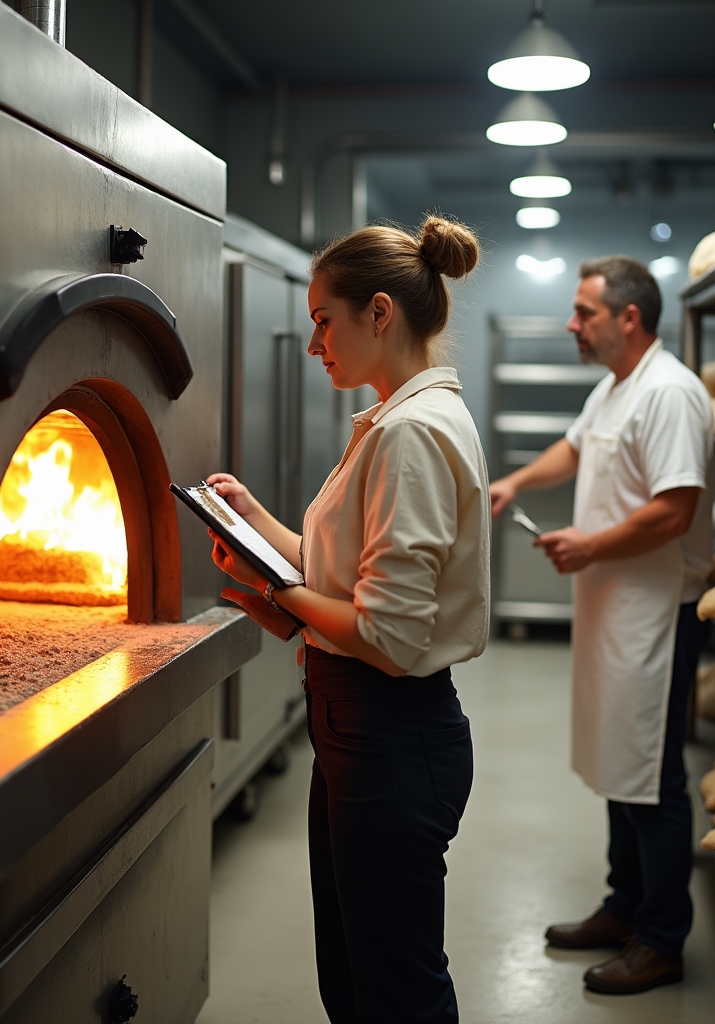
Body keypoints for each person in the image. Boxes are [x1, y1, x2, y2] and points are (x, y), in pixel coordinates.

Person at [206, 216, 490, 1024]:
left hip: (390, 734)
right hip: (359, 728)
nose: (312, 344)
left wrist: (279, 595)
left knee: (394, 993)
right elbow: (355, 577)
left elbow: (391, 637)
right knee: (357, 979)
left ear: (379, 313)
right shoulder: (394, 423)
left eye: (322, 321)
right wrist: (255, 521)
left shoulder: (411, 433)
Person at [490, 256, 713, 994]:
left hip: (655, 612)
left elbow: (675, 508)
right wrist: (518, 480)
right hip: (612, 605)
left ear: (629, 318)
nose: (570, 323)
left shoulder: (670, 392)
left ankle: (661, 939)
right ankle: (624, 907)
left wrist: (588, 544)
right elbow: (578, 446)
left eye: (584, 311)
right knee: (622, 763)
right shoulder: (615, 387)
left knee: (651, 778)